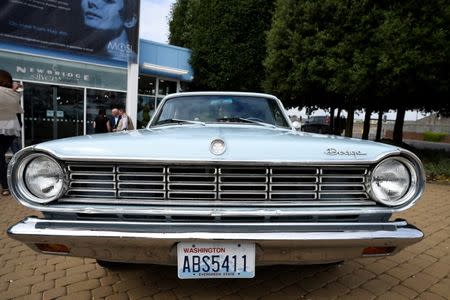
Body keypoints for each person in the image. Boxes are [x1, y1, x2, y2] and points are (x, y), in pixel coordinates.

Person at [0, 70, 23, 196]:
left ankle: (5, 186)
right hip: (12, 128)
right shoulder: (12, 93)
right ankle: (6, 185)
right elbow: (19, 87)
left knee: (1, 159)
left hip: (6, 126)